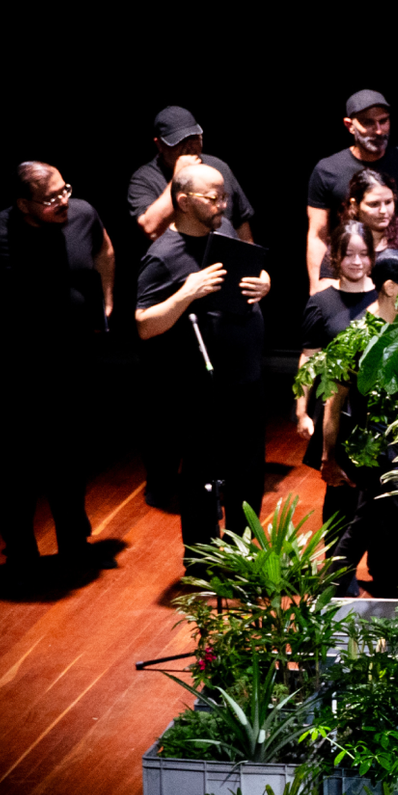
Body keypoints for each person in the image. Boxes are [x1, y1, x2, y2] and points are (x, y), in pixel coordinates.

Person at [0, 162, 114, 576]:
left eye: (65, 190)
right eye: (51, 198)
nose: (63, 201)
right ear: (23, 204)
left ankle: (73, 543)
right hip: (14, 374)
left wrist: (106, 302)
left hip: (70, 364)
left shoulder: (82, 214)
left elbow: (105, 250)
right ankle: (21, 552)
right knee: (17, 466)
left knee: (70, 458)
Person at [135, 164, 272, 549]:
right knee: (202, 477)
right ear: (183, 201)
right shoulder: (162, 256)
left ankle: (242, 554)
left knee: (248, 475)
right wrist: (185, 294)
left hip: (246, 377)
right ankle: (201, 564)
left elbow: (256, 271)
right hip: (201, 388)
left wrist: (264, 282)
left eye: (224, 196)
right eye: (214, 198)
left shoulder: (224, 232)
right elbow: (144, 324)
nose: (223, 206)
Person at [312, 248, 398, 599]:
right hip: (375, 450)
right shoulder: (359, 336)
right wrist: (328, 456)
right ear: (392, 288)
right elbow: (334, 404)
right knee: (397, 522)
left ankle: (328, 594)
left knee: (365, 522)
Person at [296, 223, 382, 596]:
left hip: (378, 413)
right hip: (337, 413)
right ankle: (339, 580)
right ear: (335, 258)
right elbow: (308, 360)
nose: (358, 262)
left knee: (382, 495)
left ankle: (384, 572)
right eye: (350, 254)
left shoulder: (386, 297)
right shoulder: (321, 302)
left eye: (365, 254)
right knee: (341, 494)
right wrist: (300, 411)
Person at [307, 89, 398, 290]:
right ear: (349, 126)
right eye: (368, 123)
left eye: (383, 121)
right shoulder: (328, 170)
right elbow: (318, 234)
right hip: (351, 272)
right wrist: (317, 285)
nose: (378, 130)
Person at [127, 105, 254, 244]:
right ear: (159, 145)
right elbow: (150, 229)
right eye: (179, 142)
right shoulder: (144, 179)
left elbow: (241, 224)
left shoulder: (218, 167)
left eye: (194, 139)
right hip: (180, 260)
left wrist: (250, 263)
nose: (189, 147)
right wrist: (179, 177)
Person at [342, 167, 398, 274]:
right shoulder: (342, 242)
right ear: (355, 205)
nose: (383, 210)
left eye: (388, 202)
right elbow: (326, 286)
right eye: (374, 204)